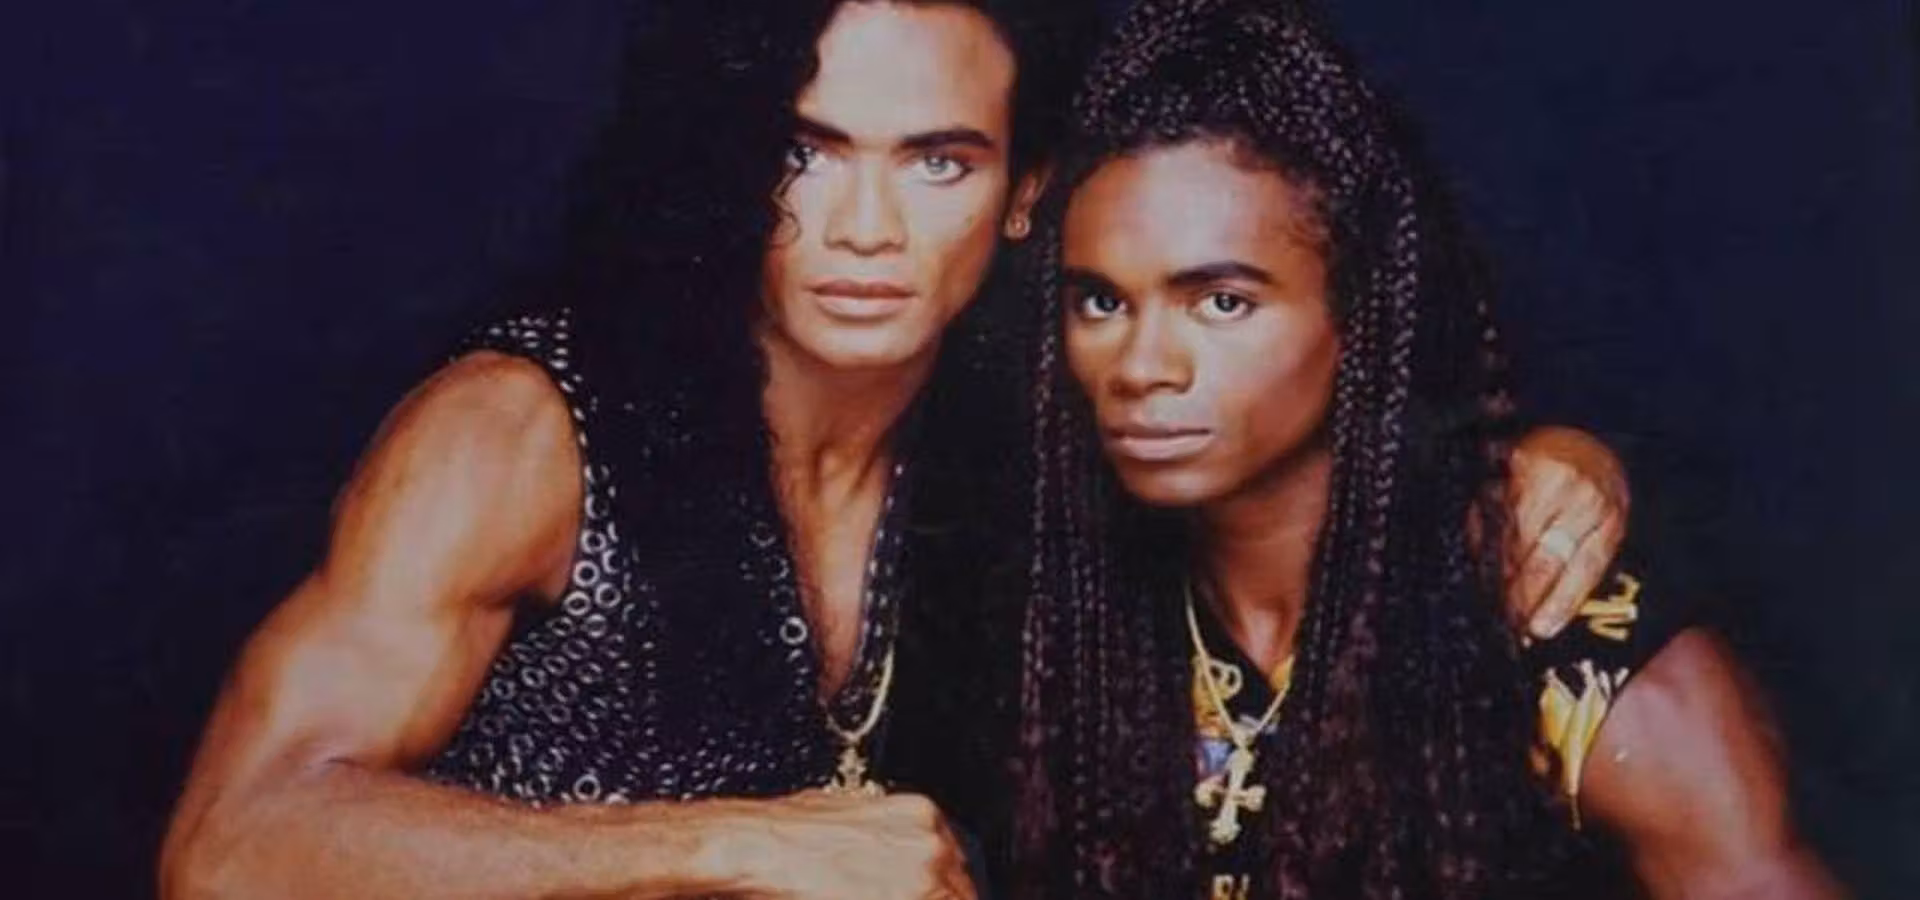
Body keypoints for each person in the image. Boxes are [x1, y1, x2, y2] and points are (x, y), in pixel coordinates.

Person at [159, 1, 1630, 898]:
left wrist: (1541, 461)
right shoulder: (527, 431)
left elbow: (1298, 423)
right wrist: (733, 847)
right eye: (808, 152)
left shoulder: (1033, 433)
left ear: (1024, 190)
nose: (865, 230)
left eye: (937, 160)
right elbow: (231, 845)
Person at [1010, 0, 1843, 898]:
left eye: (1222, 302)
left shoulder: (1555, 631)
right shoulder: (1055, 608)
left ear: (1357, 313)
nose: (1142, 367)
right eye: (1102, 302)